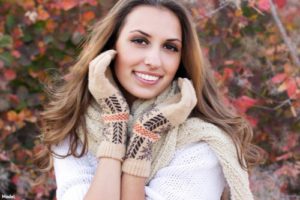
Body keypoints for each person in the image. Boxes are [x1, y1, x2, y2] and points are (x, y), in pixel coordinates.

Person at [36, 0, 261, 199]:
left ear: (181, 60)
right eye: (140, 41)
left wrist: (144, 136)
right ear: (111, 46)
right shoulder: (77, 125)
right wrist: (116, 122)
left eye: (170, 47)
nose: (154, 60)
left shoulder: (203, 143)